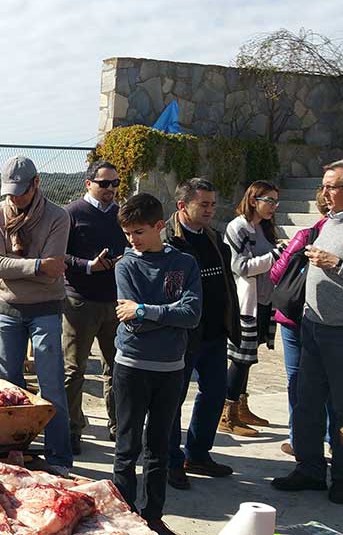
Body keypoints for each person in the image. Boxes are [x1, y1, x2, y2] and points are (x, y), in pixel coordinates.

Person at [273, 159, 343, 505]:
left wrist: (338, 265)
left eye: (331, 186)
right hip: (314, 328)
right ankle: (309, 469)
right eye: (324, 185)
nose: (324, 193)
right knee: (307, 404)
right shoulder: (331, 221)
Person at [113, 193, 201, 535]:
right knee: (126, 445)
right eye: (127, 234)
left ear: (159, 226)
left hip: (170, 369)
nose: (132, 240)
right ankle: (122, 516)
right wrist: (164, 313)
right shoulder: (126, 265)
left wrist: (145, 309)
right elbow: (129, 320)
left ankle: (152, 516)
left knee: (159, 447)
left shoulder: (185, 264)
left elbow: (192, 315)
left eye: (139, 232)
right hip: (131, 366)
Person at [0, 155, 73, 469]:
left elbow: (55, 269)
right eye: (9, 191)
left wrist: (24, 268)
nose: (14, 198)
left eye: (21, 190)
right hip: (7, 310)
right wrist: (36, 265)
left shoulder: (58, 217)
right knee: (9, 386)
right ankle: (14, 452)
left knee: (51, 386)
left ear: (37, 183)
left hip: (46, 309)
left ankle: (60, 457)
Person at [163, 178, 243, 490]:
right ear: (182, 206)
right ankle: (170, 460)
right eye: (204, 204)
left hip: (213, 334)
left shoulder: (213, 236)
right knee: (173, 399)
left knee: (213, 393)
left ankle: (196, 453)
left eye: (213, 204)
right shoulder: (168, 241)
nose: (211, 209)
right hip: (182, 336)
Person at [61, 161, 129, 454]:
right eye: (104, 183)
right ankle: (72, 429)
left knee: (117, 369)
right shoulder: (71, 214)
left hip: (116, 303)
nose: (111, 189)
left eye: (115, 183)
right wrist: (89, 266)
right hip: (80, 301)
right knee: (73, 371)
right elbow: (57, 254)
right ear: (88, 183)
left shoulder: (121, 215)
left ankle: (118, 427)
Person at [269, 188, 331, 457]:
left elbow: (276, 273)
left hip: (299, 318)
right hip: (338, 325)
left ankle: (299, 440)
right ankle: (341, 453)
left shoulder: (307, 234)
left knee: (297, 381)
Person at [222, 181, 283, 437]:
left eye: (275, 201)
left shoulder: (266, 228)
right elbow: (242, 267)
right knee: (239, 358)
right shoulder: (238, 227)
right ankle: (226, 413)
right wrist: (276, 256)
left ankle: (241, 406)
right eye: (268, 200)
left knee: (249, 358)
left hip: (264, 301)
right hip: (244, 303)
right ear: (253, 199)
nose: (272, 206)